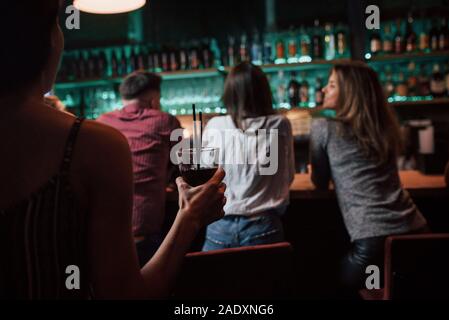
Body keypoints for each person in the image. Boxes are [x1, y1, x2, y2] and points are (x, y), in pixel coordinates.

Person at [0, 1, 226, 299]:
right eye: (58, 21)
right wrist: (189, 218)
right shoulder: (92, 143)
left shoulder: (103, 126)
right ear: (46, 40)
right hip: (147, 233)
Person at [309, 61, 429, 295]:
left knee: (323, 284)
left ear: (350, 93)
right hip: (418, 231)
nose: (324, 89)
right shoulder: (383, 126)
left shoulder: (323, 128)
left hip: (373, 243)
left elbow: (319, 182)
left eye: (332, 85)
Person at [201, 62, 295, 251]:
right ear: (264, 92)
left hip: (219, 226)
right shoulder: (280, 124)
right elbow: (289, 176)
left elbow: (205, 178)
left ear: (229, 93)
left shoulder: (215, 125)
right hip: (264, 225)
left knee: (213, 282)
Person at [97, 71, 181, 266]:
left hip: (106, 232)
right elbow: (182, 165)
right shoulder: (165, 121)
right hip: (144, 232)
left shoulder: (102, 122)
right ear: (153, 100)